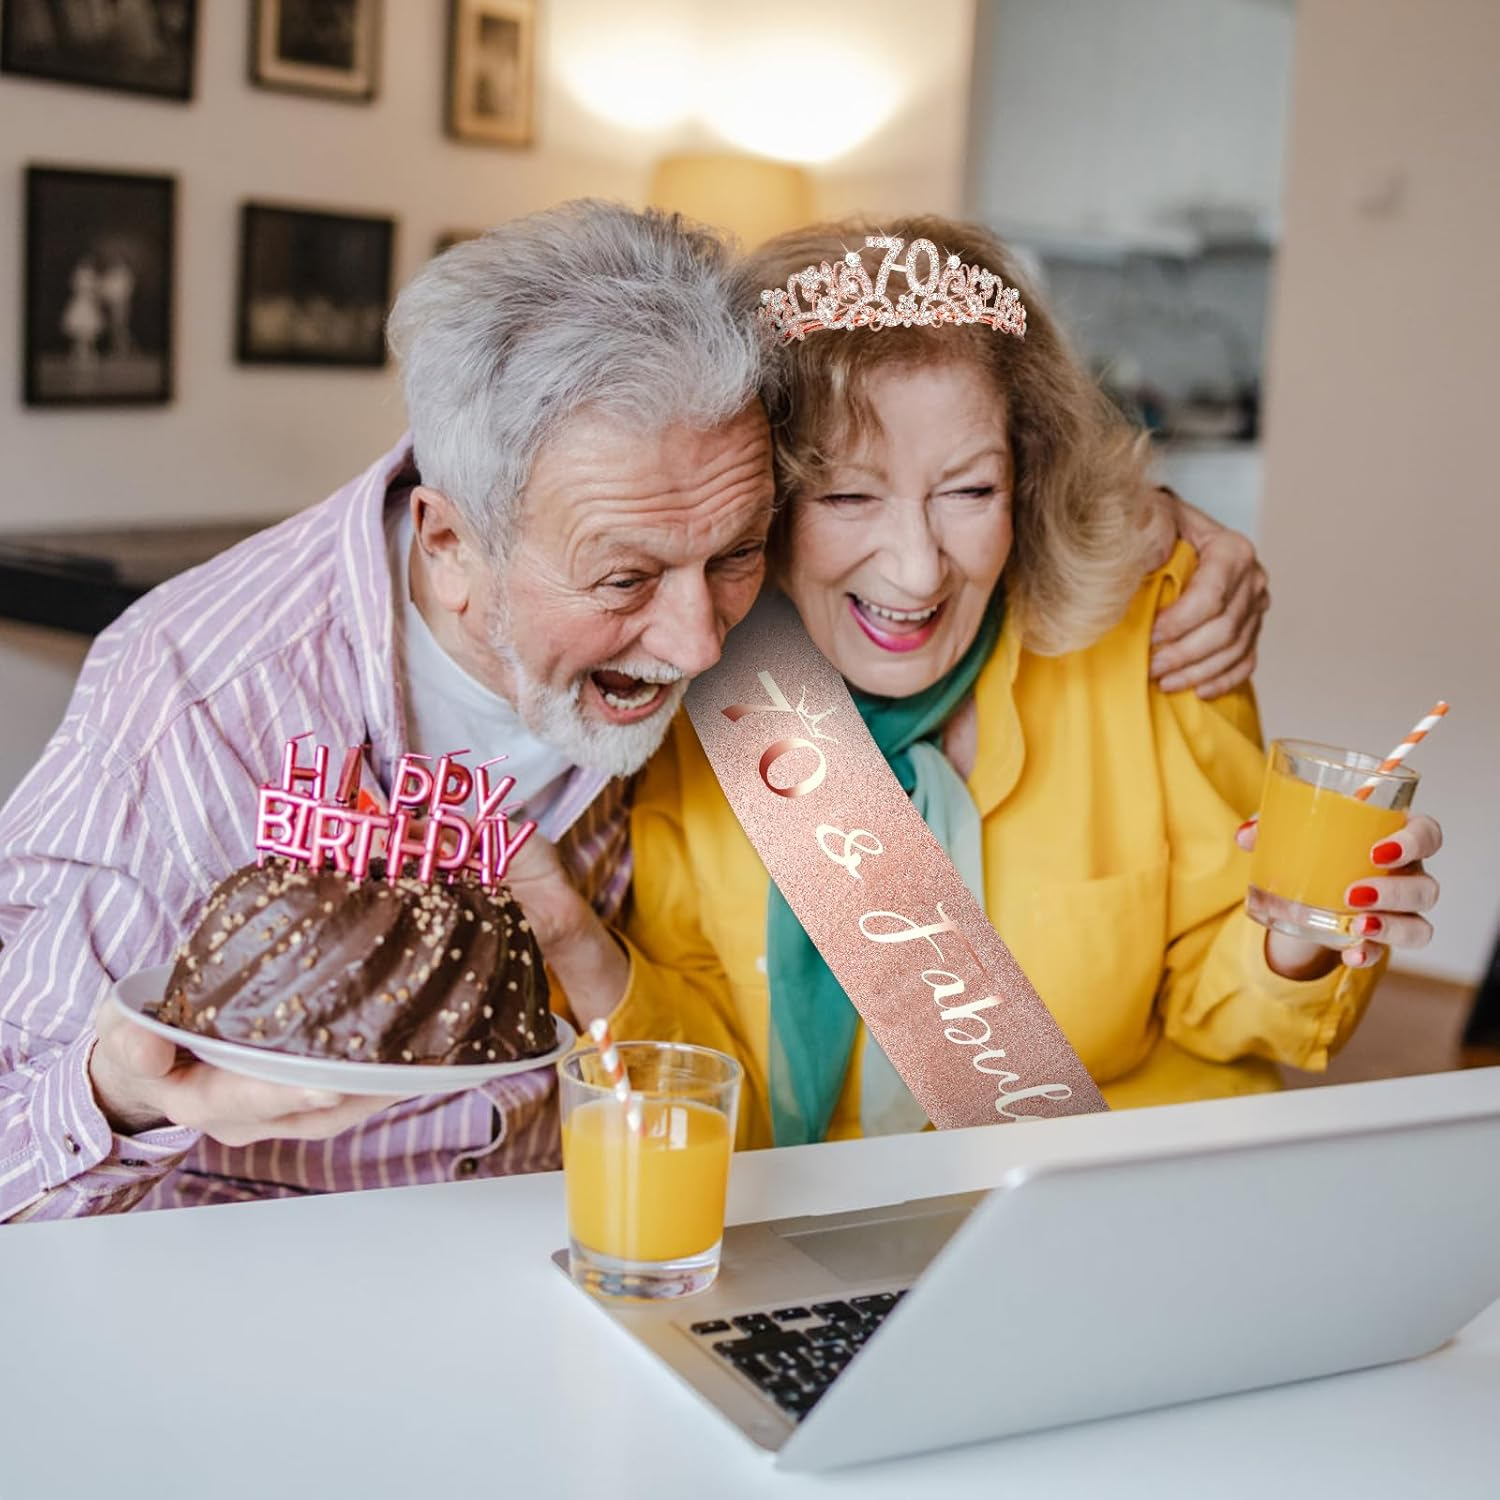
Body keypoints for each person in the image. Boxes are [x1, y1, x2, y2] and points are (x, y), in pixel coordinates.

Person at [0, 203, 1263, 1221]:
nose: (700, 644)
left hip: (612, 1259)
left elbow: (929, 479)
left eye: (734, 555)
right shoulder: (197, 701)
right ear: (451, 541)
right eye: (624, 580)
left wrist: (1158, 525)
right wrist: (116, 1093)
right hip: (264, 1290)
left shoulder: (766, 629)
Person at [572, 215, 1445, 1148]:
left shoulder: (1152, 628)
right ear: (763, 501)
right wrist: (567, 937)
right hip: (833, 1243)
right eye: (848, 496)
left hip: (1125, 1202)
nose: (916, 570)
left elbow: (1225, 1004)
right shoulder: (701, 682)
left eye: (969, 491)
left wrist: (1295, 936)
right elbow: (695, 1075)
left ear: (1028, 479)